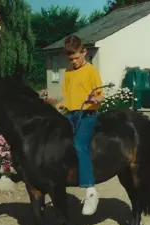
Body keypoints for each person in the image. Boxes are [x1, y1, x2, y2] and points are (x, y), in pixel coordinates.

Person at [56, 35, 104, 215]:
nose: (74, 61)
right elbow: (66, 96)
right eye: (71, 59)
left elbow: (101, 96)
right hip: (70, 114)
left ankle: (91, 192)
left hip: (87, 114)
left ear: (84, 52)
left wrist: (93, 98)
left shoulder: (91, 71)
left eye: (77, 57)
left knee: (80, 145)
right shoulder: (68, 72)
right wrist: (60, 104)